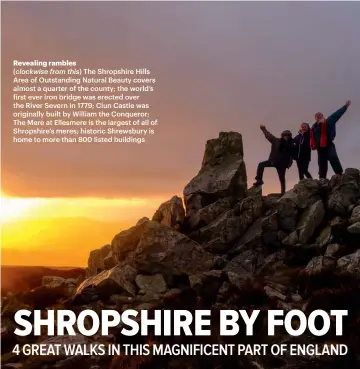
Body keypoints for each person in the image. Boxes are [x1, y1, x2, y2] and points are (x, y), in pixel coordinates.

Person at [310, 100, 351, 179]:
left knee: (333, 158)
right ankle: (322, 178)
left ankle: (339, 175)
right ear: (315, 118)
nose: (318, 116)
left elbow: (336, 115)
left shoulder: (328, 121)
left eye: (320, 115)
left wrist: (345, 106)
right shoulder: (313, 127)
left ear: (322, 116)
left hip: (328, 144)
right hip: (320, 147)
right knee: (322, 163)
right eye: (316, 116)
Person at [253, 126, 293, 194]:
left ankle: (283, 193)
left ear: (289, 136)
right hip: (274, 161)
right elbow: (269, 136)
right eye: (285, 135)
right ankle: (259, 180)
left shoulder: (291, 144)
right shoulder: (277, 141)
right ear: (282, 136)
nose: (286, 136)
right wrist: (264, 129)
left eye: (288, 135)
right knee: (261, 165)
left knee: (282, 179)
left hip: (283, 164)